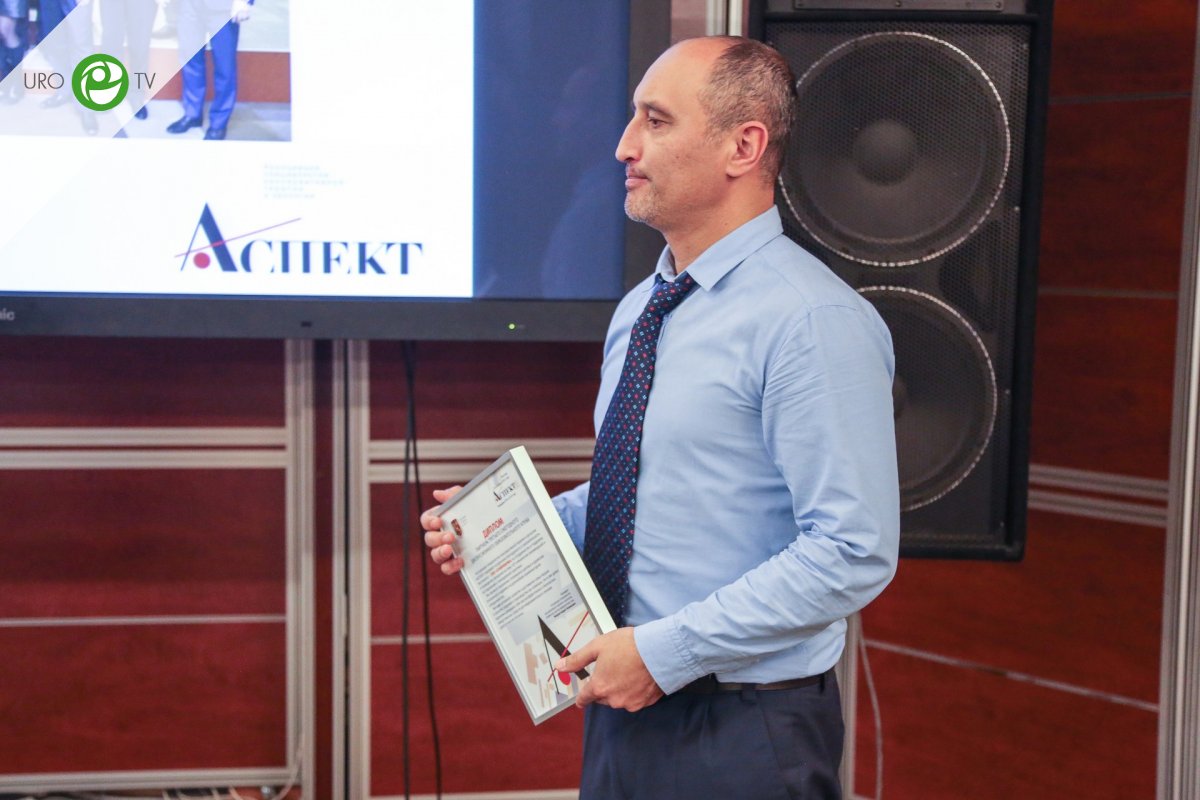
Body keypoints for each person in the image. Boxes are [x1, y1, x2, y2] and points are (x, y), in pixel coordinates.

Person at [422, 36, 899, 799]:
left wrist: (665, 652)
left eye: (656, 120)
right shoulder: (642, 309)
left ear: (743, 147)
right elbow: (650, 490)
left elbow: (852, 551)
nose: (623, 146)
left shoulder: (812, 321)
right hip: (626, 710)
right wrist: (515, 527)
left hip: (746, 728)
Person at [167, 0, 251, 140]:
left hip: (224, 7)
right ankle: (192, 114)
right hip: (189, 5)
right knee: (190, 59)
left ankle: (219, 124)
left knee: (225, 66)